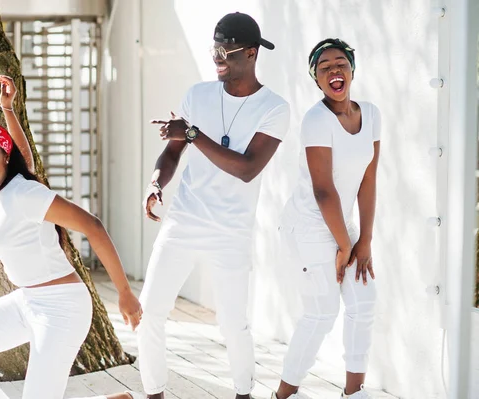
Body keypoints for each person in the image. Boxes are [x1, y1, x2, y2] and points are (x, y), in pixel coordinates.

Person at [0, 74, 143, 399]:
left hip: (62, 308)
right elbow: (25, 158)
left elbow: (93, 226)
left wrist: (125, 293)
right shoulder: (2, 189)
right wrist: (8, 109)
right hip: (27, 301)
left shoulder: (25, 193)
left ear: (5, 156)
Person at [138, 12, 290, 399]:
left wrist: (192, 133)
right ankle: (154, 392)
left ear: (252, 54)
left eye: (226, 51)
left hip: (231, 230)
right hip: (184, 220)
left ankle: (243, 393)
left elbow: (247, 169)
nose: (218, 57)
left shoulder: (274, 108)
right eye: (214, 49)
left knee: (233, 324)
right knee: (150, 311)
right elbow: (172, 152)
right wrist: (156, 183)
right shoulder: (198, 95)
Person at [272, 39, 381, 399]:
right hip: (308, 225)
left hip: (340, 225)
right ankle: (283, 395)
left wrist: (362, 241)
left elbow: (368, 179)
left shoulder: (372, 114)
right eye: (324, 68)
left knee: (364, 302)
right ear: (317, 80)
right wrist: (344, 244)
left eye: (340, 64)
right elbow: (322, 190)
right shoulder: (316, 120)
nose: (334, 71)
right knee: (321, 312)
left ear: (352, 69)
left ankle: (354, 393)